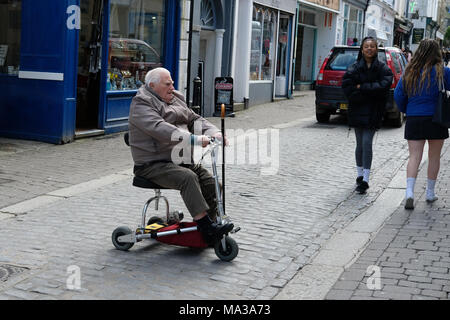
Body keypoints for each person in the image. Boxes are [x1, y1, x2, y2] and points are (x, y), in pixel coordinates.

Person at [128, 67, 233, 243]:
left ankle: (212, 222)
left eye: (173, 83)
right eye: (167, 84)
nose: (172, 87)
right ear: (152, 86)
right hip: (152, 164)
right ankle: (206, 227)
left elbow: (194, 119)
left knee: (212, 183)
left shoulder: (175, 98)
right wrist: (194, 139)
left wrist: (214, 132)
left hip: (180, 160)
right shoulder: (141, 104)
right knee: (188, 178)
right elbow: (160, 129)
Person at [394, 39, 450, 210]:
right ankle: (430, 193)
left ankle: (409, 192)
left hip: (414, 118)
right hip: (436, 118)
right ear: (437, 52)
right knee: (434, 156)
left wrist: (407, 110)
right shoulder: (444, 72)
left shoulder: (410, 71)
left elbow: (398, 95)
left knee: (414, 156)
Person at [342, 36, 393, 194]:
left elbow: (384, 86)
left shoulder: (383, 68)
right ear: (362, 49)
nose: (369, 49)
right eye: (366, 46)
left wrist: (362, 87)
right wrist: (369, 93)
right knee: (359, 144)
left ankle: (366, 179)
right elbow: (348, 87)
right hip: (357, 110)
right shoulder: (354, 67)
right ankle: (359, 175)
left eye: (372, 46)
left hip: (373, 111)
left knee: (367, 143)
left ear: (376, 49)